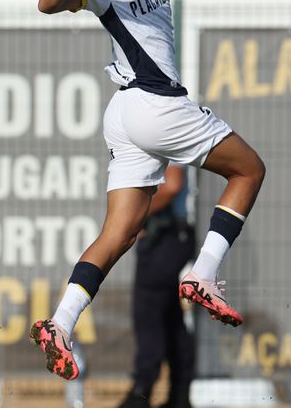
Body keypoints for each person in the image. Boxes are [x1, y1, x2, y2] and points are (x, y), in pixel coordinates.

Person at [29, 0, 291, 381]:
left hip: (125, 114)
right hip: (155, 105)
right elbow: (47, 3)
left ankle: (60, 322)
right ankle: (203, 274)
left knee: (119, 233)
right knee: (249, 171)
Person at [118, 164, 194, 408]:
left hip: (164, 238)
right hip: (171, 237)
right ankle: (179, 396)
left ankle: (141, 395)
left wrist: (137, 213)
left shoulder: (166, 129)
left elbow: (172, 185)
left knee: (148, 315)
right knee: (170, 319)